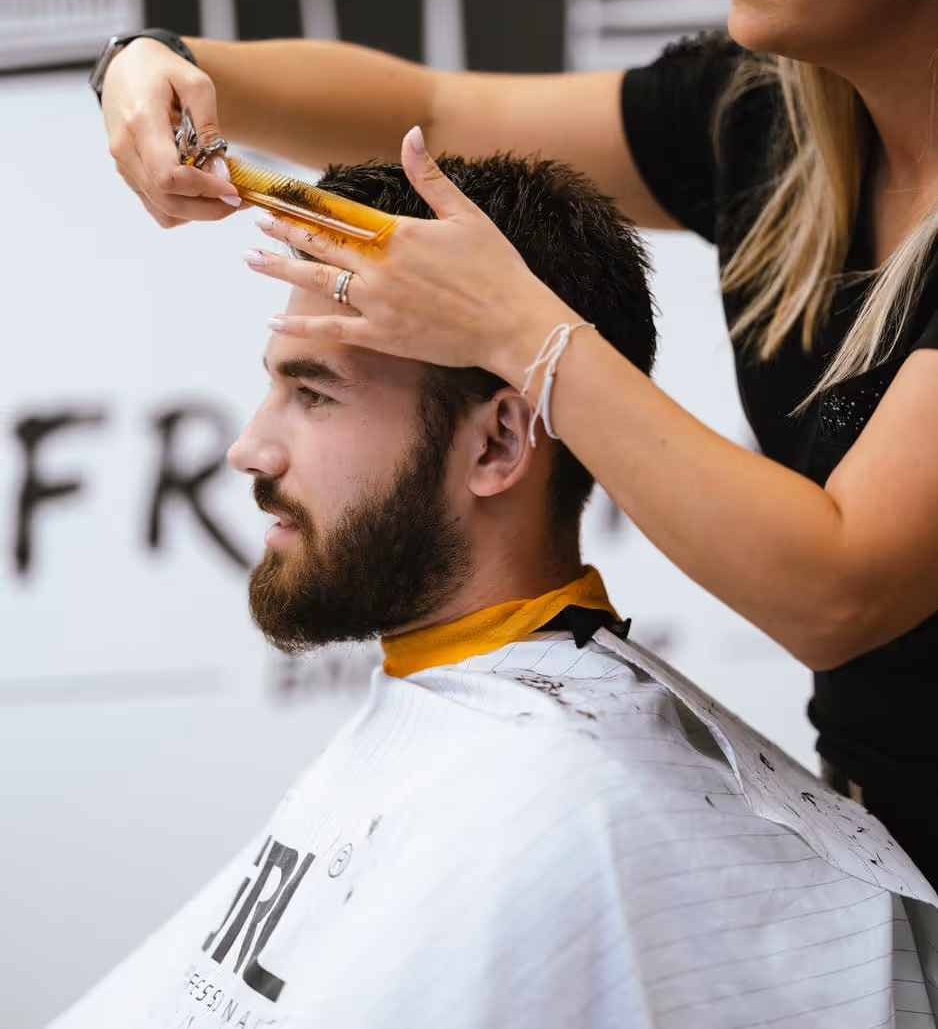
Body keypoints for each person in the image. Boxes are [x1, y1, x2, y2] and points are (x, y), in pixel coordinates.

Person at [97, 0, 938, 885]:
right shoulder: (759, 118)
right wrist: (160, 62)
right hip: (886, 840)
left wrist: (518, 330)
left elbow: (838, 587)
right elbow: (433, 118)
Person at [51, 157, 938, 1029]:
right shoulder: (451, 712)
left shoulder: (576, 806)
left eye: (313, 394)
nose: (249, 449)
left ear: (497, 446)